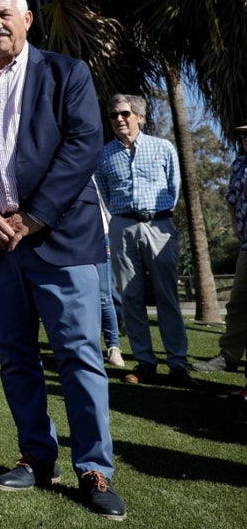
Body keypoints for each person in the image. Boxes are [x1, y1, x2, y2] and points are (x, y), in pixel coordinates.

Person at [0, 0, 126, 520]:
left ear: (26, 21)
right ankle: (37, 457)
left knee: (79, 358)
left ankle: (95, 468)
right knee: (15, 359)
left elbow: (83, 145)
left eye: (3, 14)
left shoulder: (68, 74)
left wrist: (33, 215)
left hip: (61, 242)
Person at [94, 94, 196, 388]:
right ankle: (145, 363)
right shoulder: (104, 155)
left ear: (140, 117)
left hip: (159, 225)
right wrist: (123, 219)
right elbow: (105, 192)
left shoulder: (163, 148)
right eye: (113, 115)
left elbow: (173, 187)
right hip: (123, 227)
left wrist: (154, 216)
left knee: (167, 297)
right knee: (131, 299)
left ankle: (177, 365)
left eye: (124, 113)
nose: (118, 120)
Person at [194, 122, 247, 374]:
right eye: (244, 136)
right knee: (237, 303)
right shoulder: (239, 164)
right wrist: (235, 225)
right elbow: (232, 199)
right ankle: (229, 356)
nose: (246, 139)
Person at [96, 189, 125, 367]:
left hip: (100, 236)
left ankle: (113, 347)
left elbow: (106, 206)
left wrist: (111, 239)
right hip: (72, 237)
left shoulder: (93, 174)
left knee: (104, 296)